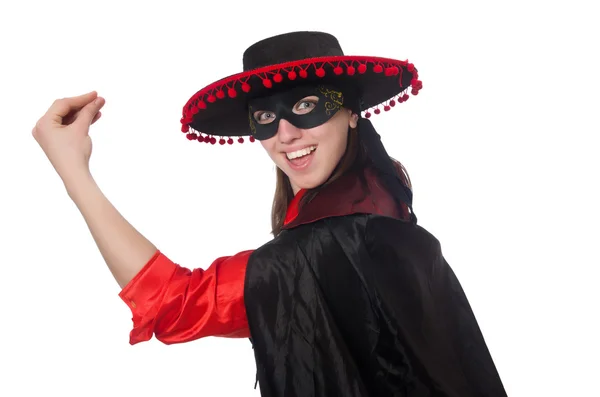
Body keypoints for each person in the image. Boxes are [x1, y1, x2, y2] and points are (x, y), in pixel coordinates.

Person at [33, 31, 507, 396]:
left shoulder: (324, 248)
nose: (285, 135)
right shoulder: (383, 199)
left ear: (351, 110)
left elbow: (172, 306)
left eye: (305, 106)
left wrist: (73, 171)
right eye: (265, 118)